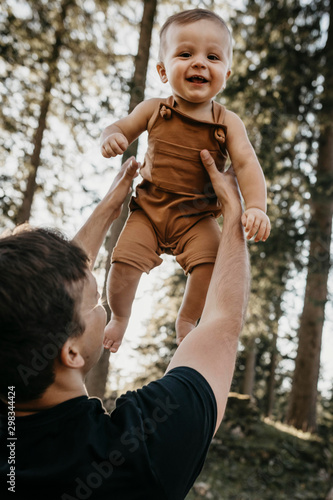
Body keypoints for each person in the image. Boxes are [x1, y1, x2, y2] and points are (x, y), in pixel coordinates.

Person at [0, 151, 250, 500]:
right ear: (70, 352)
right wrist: (235, 210)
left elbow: (32, 300)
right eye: (96, 301)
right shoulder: (139, 452)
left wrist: (108, 208)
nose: (102, 303)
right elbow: (222, 323)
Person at [100, 9, 270, 352]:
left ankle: (187, 319)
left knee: (211, 264)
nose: (199, 63)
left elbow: (247, 164)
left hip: (198, 217)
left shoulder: (228, 122)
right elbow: (121, 126)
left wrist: (257, 207)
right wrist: (112, 136)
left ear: (226, 72)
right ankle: (119, 316)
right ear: (163, 71)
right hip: (149, 210)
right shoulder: (153, 109)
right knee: (122, 264)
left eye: (212, 56)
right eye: (185, 54)